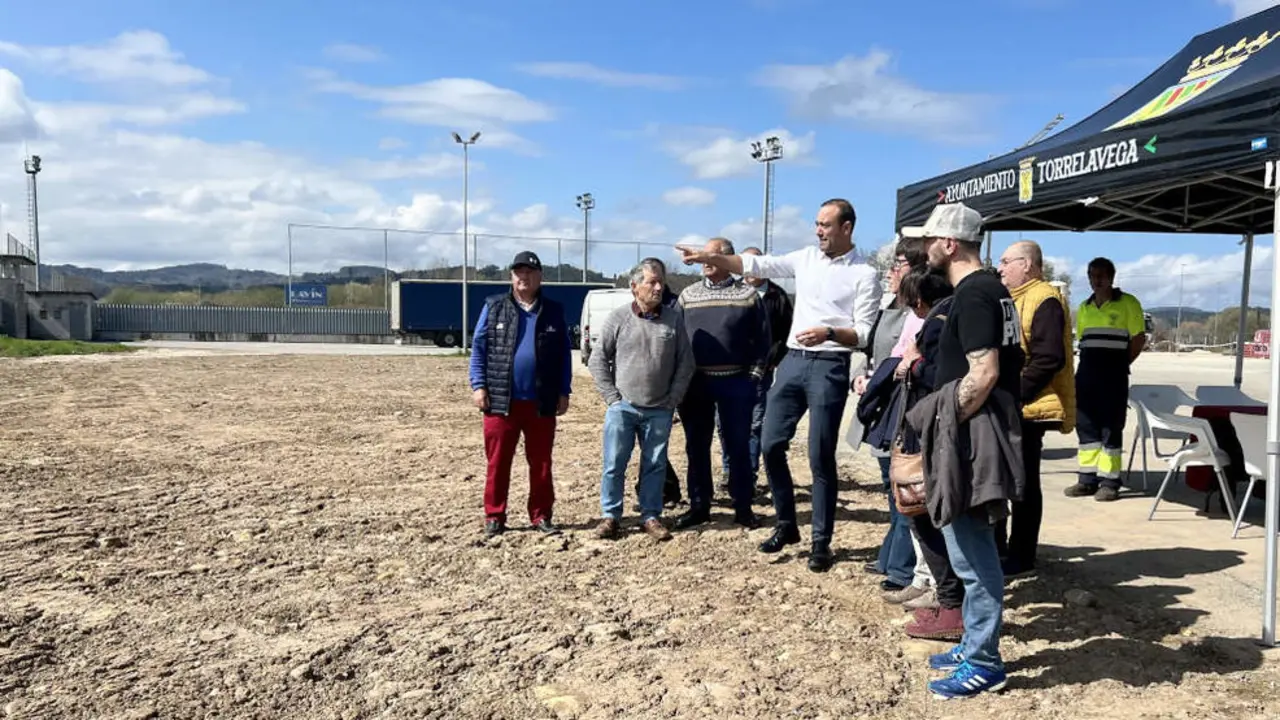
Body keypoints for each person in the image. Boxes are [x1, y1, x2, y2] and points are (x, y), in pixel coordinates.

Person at [677, 198, 882, 572]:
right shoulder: (805, 258)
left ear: (847, 227)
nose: (818, 231)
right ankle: (787, 525)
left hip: (829, 364)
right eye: (817, 223)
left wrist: (830, 332)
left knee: (820, 457)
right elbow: (756, 264)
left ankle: (821, 541)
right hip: (792, 362)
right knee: (770, 444)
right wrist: (706, 258)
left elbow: (865, 332)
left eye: (826, 225)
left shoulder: (864, 274)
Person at [902, 202, 1025, 699]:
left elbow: (986, 372)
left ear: (949, 244)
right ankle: (974, 641)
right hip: (974, 428)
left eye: (929, 239)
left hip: (971, 435)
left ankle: (984, 661)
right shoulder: (989, 290)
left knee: (974, 554)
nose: (923, 248)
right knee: (965, 545)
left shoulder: (975, 295)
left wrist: (942, 418)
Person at [589, 258, 695, 542]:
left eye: (661, 282)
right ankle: (611, 516)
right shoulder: (618, 318)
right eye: (652, 282)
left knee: (655, 465)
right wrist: (612, 398)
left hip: (659, 409)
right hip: (623, 408)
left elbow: (686, 363)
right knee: (614, 463)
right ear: (635, 287)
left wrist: (672, 399)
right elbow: (597, 359)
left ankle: (650, 515)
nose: (658, 288)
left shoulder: (674, 319)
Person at [469, 251, 572, 538]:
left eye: (529, 272)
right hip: (501, 402)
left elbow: (564, 354)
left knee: (541, 463)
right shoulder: (494, 307)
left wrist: (564, 390)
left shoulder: (553, 311)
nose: (523, 277)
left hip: (541, 402)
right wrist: (478, 385)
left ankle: (541, 515)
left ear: (540, 277)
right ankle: (494, 515)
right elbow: (478, 349)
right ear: (511, 276)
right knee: (498, 462)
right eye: (518, 272)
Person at [675, 238, 772, 530]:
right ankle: (699, 506)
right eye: (703, 255)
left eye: (711, 256)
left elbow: (764, 339)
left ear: (727, 260)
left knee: (738, 446)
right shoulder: (687, 296)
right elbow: (676, 340)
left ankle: (743, 507)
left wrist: (753, 378)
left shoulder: (747, 295)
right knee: (696, 447)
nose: (705, 260)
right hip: (696, 385)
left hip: (736, 384)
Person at [996, 240, 1075, 577]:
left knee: (1024, 485)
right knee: (1000, 480)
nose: (1000, 268)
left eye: (1006, 262)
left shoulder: (1045, 300)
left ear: (1027, 264)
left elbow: (1049, 358)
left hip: (1028, 407)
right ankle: (998, 549)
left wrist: (1016, 393)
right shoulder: (1013, 299)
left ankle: (1022, 555)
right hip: (1010, 403)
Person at [854, 236, 925, 596]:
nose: (890, 273)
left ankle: (900, 566)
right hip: (884, 405)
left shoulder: (919, 313)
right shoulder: (888, 309)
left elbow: (904, 360)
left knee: (903, 487)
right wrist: (864, 375)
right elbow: (870, 350)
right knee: (891, 486)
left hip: (902, 406)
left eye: (897, 265)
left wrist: (887, 373)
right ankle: (892, 557)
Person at [1066, 257, 1145, 502]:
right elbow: (1084, 343)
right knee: (1086, 427)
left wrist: (1120, 365)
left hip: (1113, 378)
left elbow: (1138, 339)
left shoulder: (1128, 303)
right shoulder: (1085, 307)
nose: (1096, 280)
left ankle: (1110, 481)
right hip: (1087, 377)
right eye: (1092, 275)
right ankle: (1087, 479)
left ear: (1111, 277)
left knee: (1111, 428)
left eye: (1101, 276)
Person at [719, 245, 794, 494]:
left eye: (756, 262)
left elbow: (787, 333)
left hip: (761, 370)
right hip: (731, 370)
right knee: (726, 423)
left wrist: (774, 358)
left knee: (753, 423)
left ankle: (748, 477)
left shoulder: (778, 297)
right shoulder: (731, 291)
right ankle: (730, 471)